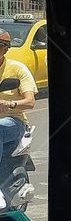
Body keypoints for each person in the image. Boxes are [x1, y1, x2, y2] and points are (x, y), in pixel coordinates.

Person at [0, 29, 36, 192]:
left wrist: (10, 103)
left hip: (14, 122)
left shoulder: (17, 69)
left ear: (6, 48)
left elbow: (30, 102)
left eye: (1, 45)